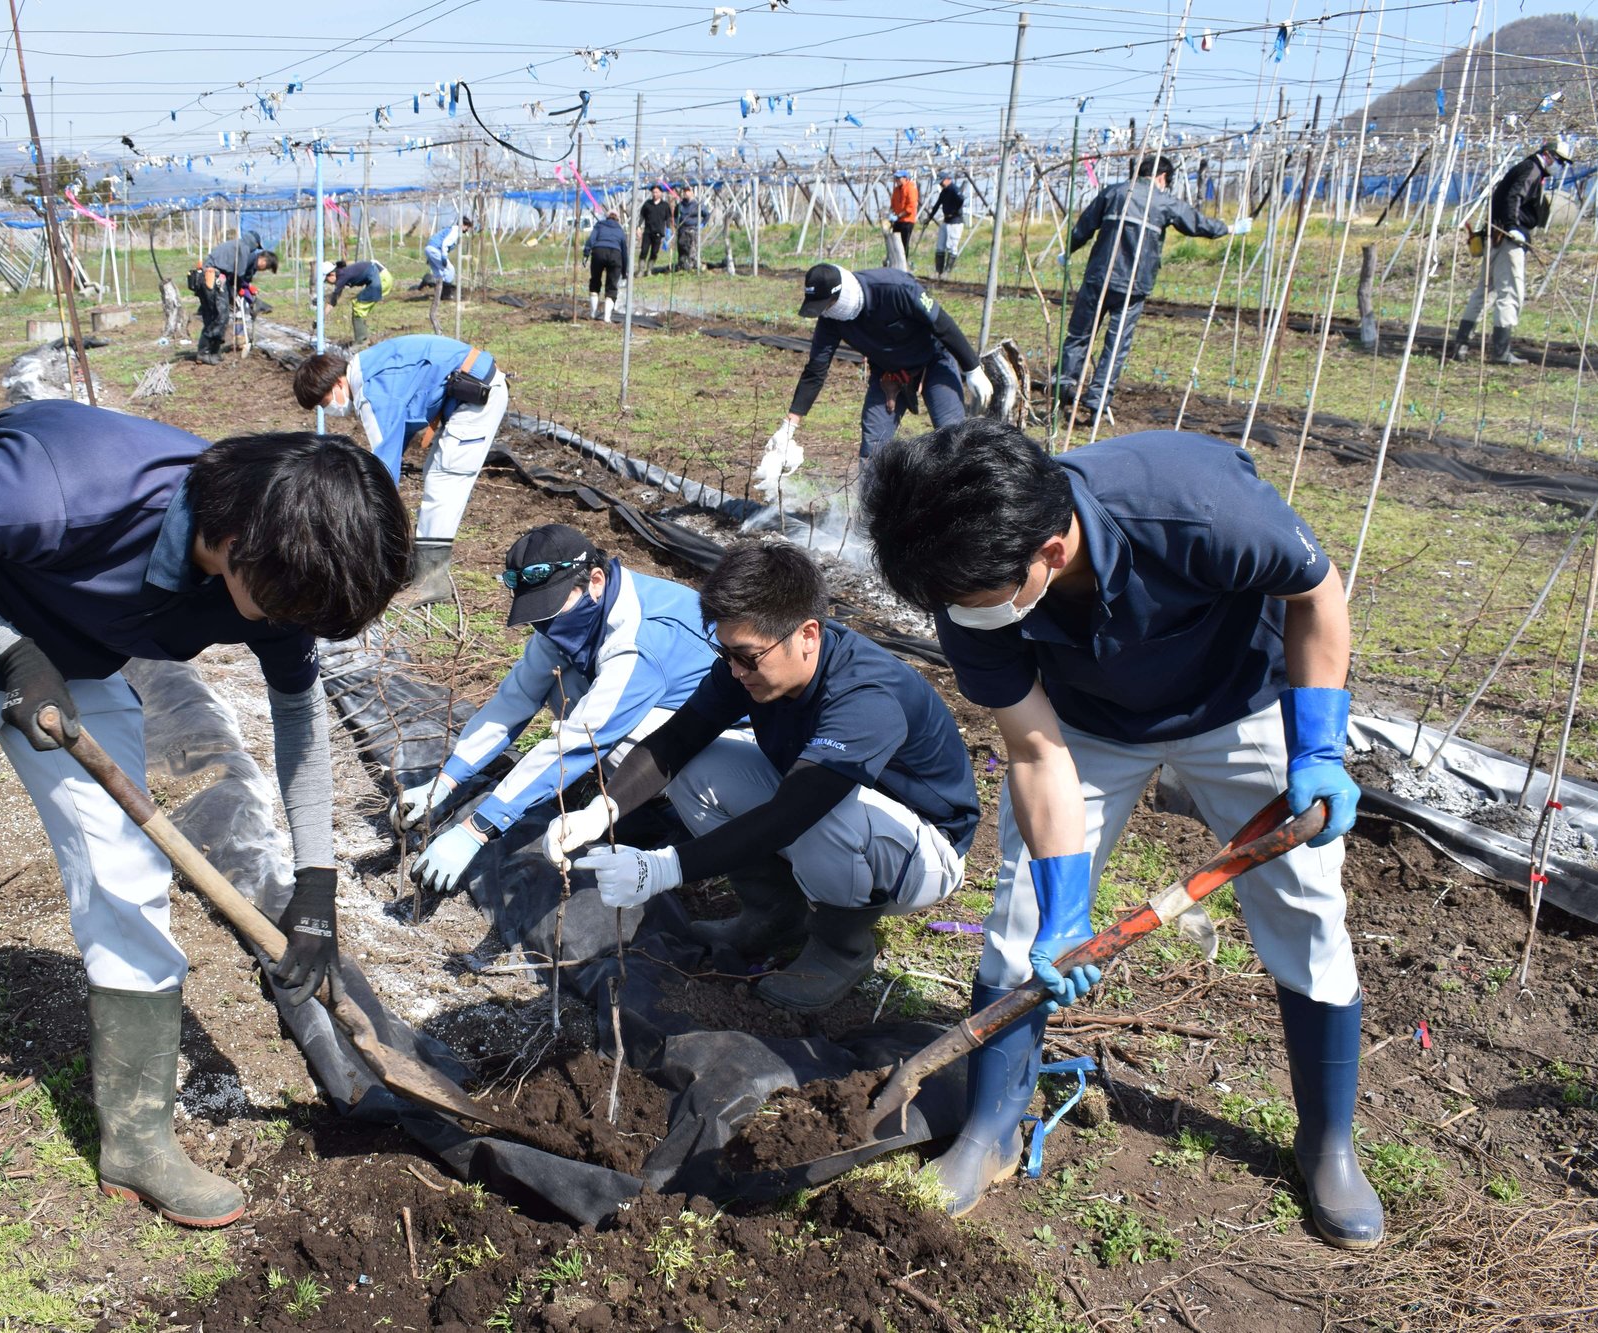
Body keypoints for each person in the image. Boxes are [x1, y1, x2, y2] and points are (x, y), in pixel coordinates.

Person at [0, 400, 409, 1233]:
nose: (291, 630)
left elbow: (298, 712)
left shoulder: (281, 562)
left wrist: (316, 881)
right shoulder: (71, 486)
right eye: (289, 613)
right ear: (241, 545)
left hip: (67, 649)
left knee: (129, 874)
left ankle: (137, 1139)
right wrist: (13, 653)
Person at [859, 417, 1375, 1247]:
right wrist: (1066, 911)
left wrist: (1317, 745)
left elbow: (1316, 592)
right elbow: (1033, 746)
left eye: (970, 601)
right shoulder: (968, 581)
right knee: (1023, 917)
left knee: (1306, 911)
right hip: (1086, 724)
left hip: (1237, 704)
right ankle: (990, 1129)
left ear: (1050, 554)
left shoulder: (1198, 509)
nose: (958, 615)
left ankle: (1329, 1144)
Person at [549, 543, 980, 1013]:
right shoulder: (752, 663)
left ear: (808, 634)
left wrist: (665, 868)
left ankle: (842, 945)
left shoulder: (866, 697)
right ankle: (775, 911)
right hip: (834, 812)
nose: (735, 670)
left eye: (748, 657)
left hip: (920, 855)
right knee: (698, 765)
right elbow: (679, 738)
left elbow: (794, 812)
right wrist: (601, 811)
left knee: (823, 811)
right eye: (726, 652)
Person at [396, 524, 717, 893]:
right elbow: (514, 700)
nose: (546, 625)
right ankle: (637, 804)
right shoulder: (577, 614)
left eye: (551, 609)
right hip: (661, 711)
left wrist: (476, 829)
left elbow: (582, 739)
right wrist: (445, 781)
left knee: (618, 733)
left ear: (595, 580)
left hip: (727, 742)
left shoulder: (639, 640)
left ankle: (661, 810)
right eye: (537, 613)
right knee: (559, 681)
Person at [292, 335, 508, 609]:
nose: (328, 410)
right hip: (465, 390)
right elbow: (397, 435)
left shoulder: (372, 392)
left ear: (337, 383)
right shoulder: (370, 371)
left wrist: (363, 520)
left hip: (478, 395)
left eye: (323, 403)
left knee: (445, 480)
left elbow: (382, 471)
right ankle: (420, 568)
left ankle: (431, 581)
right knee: (436, 474)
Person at [754, 263, 992, 496]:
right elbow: (816, 369)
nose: (825, 312)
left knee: (952, 436)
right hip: (889, 375)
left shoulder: (894, 288)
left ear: (839, 294)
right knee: (873, 448)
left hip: (933, 362)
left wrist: (972, 368)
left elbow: (942, 323)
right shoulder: (831, 319)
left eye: (826, 305)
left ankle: (965, 505)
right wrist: (789, 426)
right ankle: (871, 517)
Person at [1058, 155, 1244, 421]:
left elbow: (1083, 227)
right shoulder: (1164, 201)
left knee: (1079, 335)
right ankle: (1097, 401)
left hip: (1098, 278)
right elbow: (1195, 223)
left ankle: (1064, 389)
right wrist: (1228, 228)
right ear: (1162, 177)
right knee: (1116, 343)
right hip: (1132, 286)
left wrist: (1068, 251)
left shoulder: (1113, 193)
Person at [1452, 136, 1574, 365]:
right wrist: (1512, 227)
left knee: (1484, 291)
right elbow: (1513, 197)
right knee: (1510, 292)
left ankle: (1461, 345)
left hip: (1495, 234)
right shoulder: (1532, 170)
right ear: (1548, 155)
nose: (1561, 167)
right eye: (1561, 161)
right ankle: (1501, 352)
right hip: (1508, 238)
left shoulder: (1525, 169)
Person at [191, 228, 279, 364]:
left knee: (213, 316)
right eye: (266, 266)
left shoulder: (236, 246)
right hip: (213, 278)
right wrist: (245, 290)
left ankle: (211, 351)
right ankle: (205, 352)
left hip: (206, 278)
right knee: (221, 316)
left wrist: (245, 289)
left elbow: (237, 276)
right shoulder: (243, 249)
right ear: (263, 260)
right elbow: (239, 274)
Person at [326, 257, 394, 345]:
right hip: (382, 276)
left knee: (358, 307)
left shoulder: (342, 277)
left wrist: (320, 318)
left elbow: (332, 301)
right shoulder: (342, 273)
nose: (327, 283)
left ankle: (361, 342)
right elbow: (334, 300)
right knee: (360, 307)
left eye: (326, 280)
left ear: (331, 274)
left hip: (382, 279)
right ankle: (364, 337)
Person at [583, 211, 628, 322]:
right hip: (615, 254)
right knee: (611, 286)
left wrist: (586, 254)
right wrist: (624, 271)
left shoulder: (599, 225)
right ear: (617, 219)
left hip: (599, 252)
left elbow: (591, 240)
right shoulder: (620, 230)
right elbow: (624, 252)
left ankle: (593, 314)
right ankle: (607, 318)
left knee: (595, 281)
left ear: (606, 218)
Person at [922, 173, 966, 278]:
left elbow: (961, 199)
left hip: (955, 222)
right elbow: (937, 205)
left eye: (942, 182)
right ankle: (938, 271)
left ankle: (947, 271)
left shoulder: (954, 189)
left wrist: (956, 210)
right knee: (940, 247)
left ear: (947, 179)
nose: (941, 184)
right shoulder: (944, 192)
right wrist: (929, 218)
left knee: (952, 247)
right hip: (946, 221)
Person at [420, 217, 473, 298]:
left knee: (439, 274)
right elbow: (445, 243)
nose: (466, 230)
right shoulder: (455, 231)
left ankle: (438, 293)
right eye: (467, 227)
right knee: (450, 270)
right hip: (435, 250)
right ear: (463, 225)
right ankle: (445, 294)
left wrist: (430, 257)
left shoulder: (451, 229)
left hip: (430, 249)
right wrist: (444, 257)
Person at [888, 169, 920, 266]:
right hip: (898, 220)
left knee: (904, 243)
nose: (896, 180)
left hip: (907, 221)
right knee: (895, 241)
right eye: (896, 178)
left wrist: (898, 216)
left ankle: (903, 263)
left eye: (899, 178)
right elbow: (893, 203)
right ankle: (895, 261)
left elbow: (911, 206)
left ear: (905, 178)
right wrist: (891, 213)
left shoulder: (910, 188)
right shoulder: (896, 190)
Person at [673, 184, 709, 271]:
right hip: (682, 229)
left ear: (692, 192)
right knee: (682, 248)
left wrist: (703, 224)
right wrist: (676, 224)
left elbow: (707, 215)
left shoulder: (697, 204)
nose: (686, 193)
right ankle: (682, 265)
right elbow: (675, 215)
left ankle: (693, 265)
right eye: (684, 191)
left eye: (688, 191)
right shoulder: (680, 205)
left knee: (692, 249)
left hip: (693, 229)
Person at [638, 186, 673, 271]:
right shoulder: (647, 204)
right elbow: (642, 216)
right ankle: (641, 270)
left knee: (654, 252)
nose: (655, 194)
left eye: (657, 192)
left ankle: (649, 269)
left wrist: (668, 229)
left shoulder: (665, 206)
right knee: (644, 251)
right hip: (648, 232)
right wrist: (638, 227)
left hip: (658, 233)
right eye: (653, 192)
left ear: (661, 193)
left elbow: (668, 218)